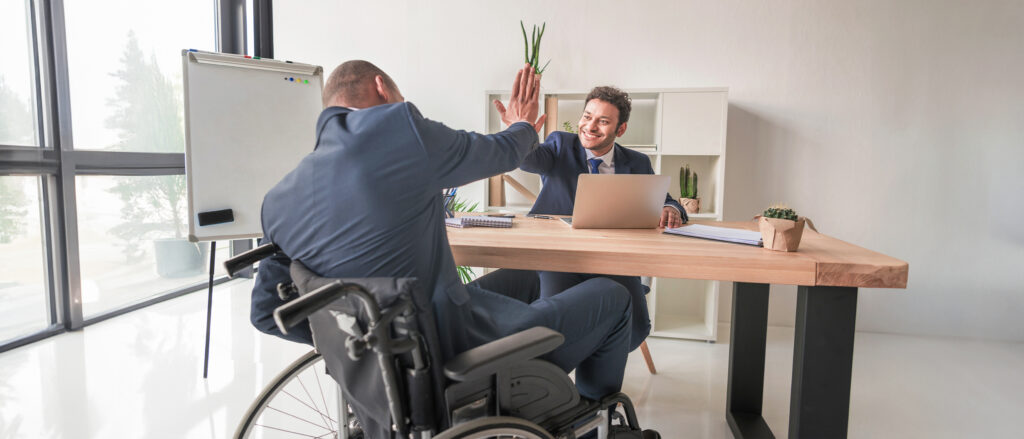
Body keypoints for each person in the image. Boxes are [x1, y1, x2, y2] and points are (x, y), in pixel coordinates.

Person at [250, 60, 641, 430]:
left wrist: (362, 351)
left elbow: (267, 313)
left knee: (530, 274)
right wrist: (523, 123)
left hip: (405, 340)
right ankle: (594, 419)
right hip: (455, 351)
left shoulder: (279, 199)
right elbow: (500, 152)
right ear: (382, 89)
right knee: (614, 295)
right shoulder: (399, 131)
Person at [496, 86, 687, 351]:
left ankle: (593, 364)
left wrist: (671, 209)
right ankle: (567, 375)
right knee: (555, 324)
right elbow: (528, 161)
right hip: (561, 258)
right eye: (587, 116)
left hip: (614, 259)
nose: (591, 126)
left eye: (603, 121)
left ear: (620, 130)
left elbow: (665, 199)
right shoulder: (560, 144)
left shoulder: (637, 162)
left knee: (637, 327)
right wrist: (518, 130)